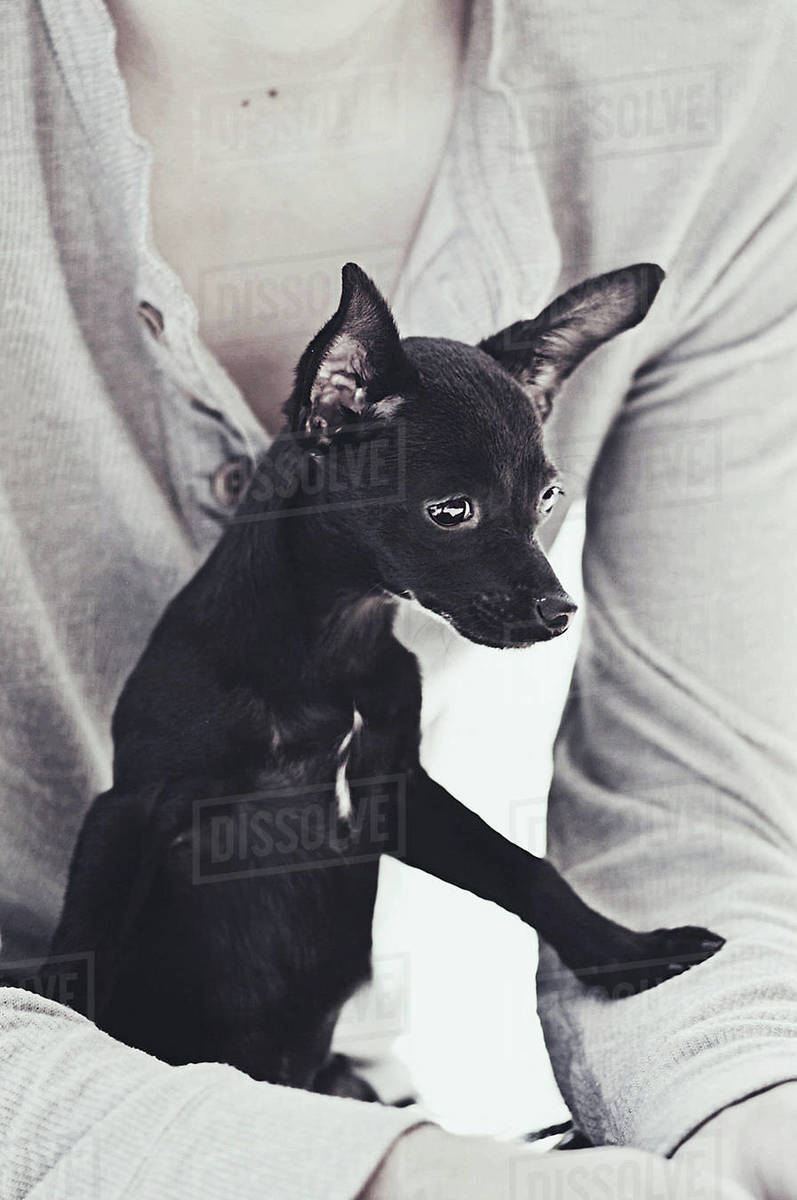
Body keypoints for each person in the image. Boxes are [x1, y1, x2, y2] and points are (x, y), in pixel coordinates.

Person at [0, 0, 794, 1195]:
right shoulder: (207, 676)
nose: (531, 573)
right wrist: (375, 1177)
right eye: (458, 518)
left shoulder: (715, 64)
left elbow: (693, 801)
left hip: (329, 1091)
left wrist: (742, 1099)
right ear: (335, 396)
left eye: (529, 509)